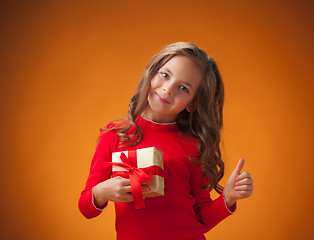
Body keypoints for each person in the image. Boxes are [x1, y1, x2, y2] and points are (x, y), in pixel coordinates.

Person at [78, 42, 254, 239]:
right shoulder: (114, 135)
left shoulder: (193, 145)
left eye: (183, 88)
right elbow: (86, 208)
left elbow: (201, 219)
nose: (169, 89)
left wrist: (228, 198)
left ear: (193, 103)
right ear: (152, 73)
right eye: (165, 75)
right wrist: (100, 192)